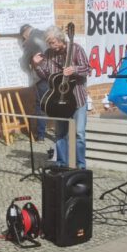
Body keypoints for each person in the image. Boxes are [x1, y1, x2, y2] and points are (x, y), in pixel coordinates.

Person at [31, 25, 90, 169]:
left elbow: (88, 69)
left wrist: (74, 69)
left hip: (77, 98)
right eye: (49, 43)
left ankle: (81, 165)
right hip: (59, 100)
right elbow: (46, 76)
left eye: (53, 42)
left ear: (61, 38)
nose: (52, 46)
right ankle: (62, 164)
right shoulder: (49, 53)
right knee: (60, 134)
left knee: (79, 134)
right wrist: (37, 65)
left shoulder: (76, 49)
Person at [20, 23, 49, 141]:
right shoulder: (47, 32)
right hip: (56, 74)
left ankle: (41, 135)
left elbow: (23, 62)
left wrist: (30, 72)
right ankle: (61, 135)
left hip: (42, 76)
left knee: (41, 105)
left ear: (25, 34)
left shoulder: (30, 40)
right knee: (57, 103)